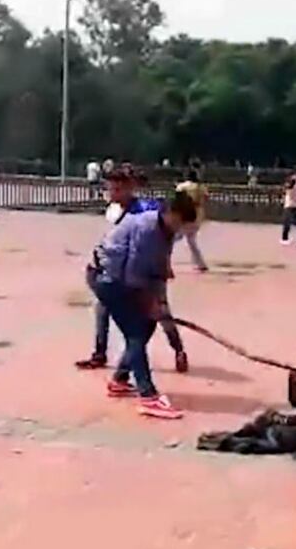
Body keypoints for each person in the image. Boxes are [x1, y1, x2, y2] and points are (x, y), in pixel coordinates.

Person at [87, 192, 200, 419]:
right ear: (168, 213)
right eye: (179, 221)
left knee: (147, 326)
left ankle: (120, 379)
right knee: (135, 333)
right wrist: (149, 302)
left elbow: (158, 268)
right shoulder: (148, 228)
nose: (180, 228)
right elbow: (134, 273)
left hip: (126, 280)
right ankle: (148, 396)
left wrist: (158, 302)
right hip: (108, 278)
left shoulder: (166, 231)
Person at [77, 168, 188, 373]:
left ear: (130, 188)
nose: (112, 194)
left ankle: (178, 350)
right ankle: (100, 354)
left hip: (149, 270)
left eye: (117, 189)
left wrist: (163, 264)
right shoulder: (116, 211)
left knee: (161, 313)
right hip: (123, 271)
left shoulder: (145, 210)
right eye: (110, 189)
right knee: (102, 308)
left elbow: (166, 235)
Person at [175, 169, 210, 271]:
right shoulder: (201, 187)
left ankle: (161, 259)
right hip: (198, 216)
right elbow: (206, 199)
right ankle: (200, 264)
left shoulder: (181, 187)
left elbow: (177, 200)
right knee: (191, 240)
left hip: (185, 215)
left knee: (172, 237)